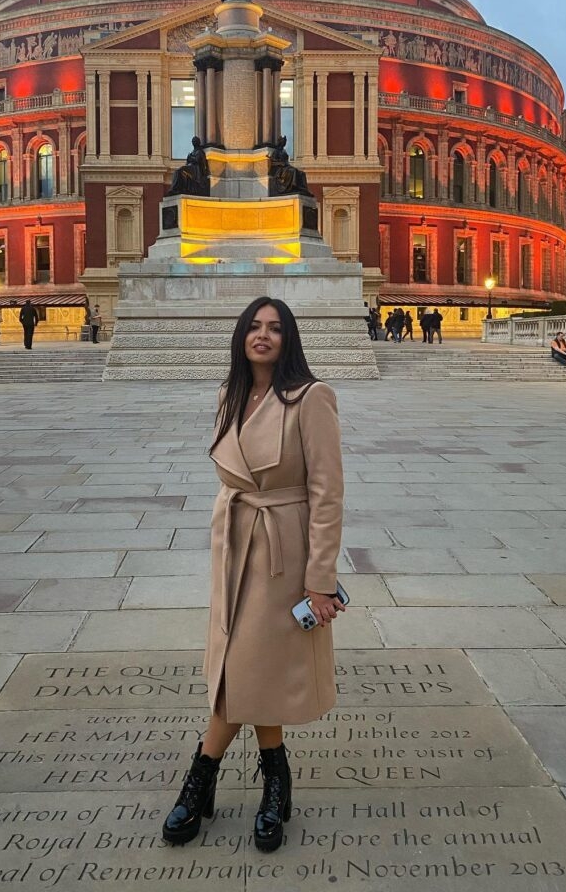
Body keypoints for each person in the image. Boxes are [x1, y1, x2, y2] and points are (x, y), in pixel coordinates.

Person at [162, 297, 345, 854]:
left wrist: (319, 580)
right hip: (235, 542)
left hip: (282, 551)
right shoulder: (231, 394)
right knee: (249, 668)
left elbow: (327, 494)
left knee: (241, 668)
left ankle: (202, 775)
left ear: (289, 340)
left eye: (275, 328)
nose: (262, 336)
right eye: (254, 327)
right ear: (241, 337)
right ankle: (275, 780)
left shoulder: (312, 398)